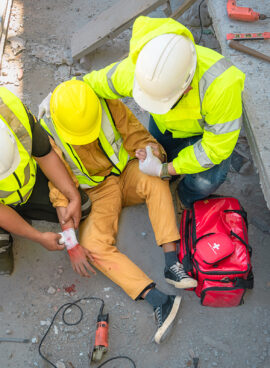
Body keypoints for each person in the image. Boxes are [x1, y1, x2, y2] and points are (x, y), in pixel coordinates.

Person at [39, 79, 198, 344]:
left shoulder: (103, 102)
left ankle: (172, 264)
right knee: (90, 245)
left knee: (156, 180)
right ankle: (159, 300)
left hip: (127, 172)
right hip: (98, 192)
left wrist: (151, 154)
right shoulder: (47, 132)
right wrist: (71, 243)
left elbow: (142, 138)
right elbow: (59, 193)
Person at [79, 16, 245, 210]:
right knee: (161, 153)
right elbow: (95, 83)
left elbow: (214, 149)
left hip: (203, 134)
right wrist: (64, 94)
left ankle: (185, 198)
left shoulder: (222, 86)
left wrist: (163, 169)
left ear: (187, 88)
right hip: (164, 126)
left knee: (207, 179)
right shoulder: (142, 69)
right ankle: (168, 177)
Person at [0, 87, 91, 276]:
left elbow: (45, 154)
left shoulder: (10, 109)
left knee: (81, 206)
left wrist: (72, 196)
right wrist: (38, 237)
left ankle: (21, 215)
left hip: (29, 185)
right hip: (4, 202)